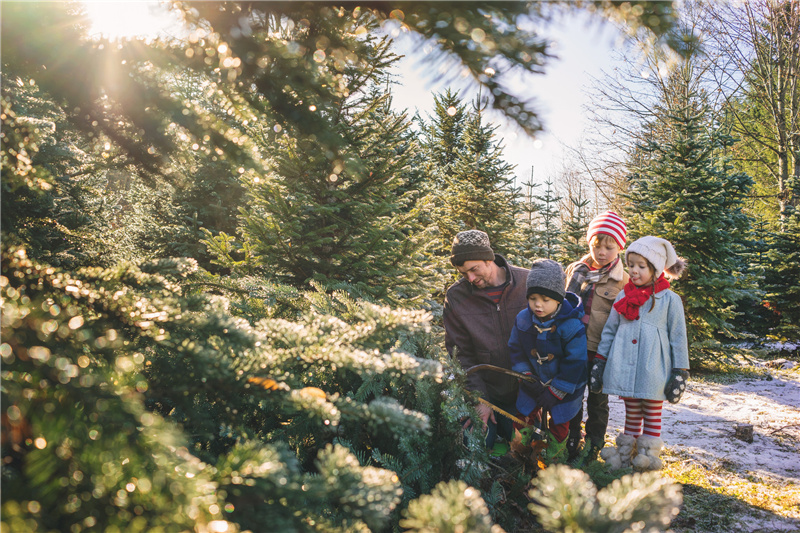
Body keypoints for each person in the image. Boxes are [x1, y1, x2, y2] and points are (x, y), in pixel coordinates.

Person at [590, 236, 690, 471]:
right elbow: (610, 331)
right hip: (625, 365)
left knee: (652, 413)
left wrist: (680, 371)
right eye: (631, 265)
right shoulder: (624, 296)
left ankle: (646, 462)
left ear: (655, 269)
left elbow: (678, 337)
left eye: (641, 266)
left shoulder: (669, 300)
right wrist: (600, 361)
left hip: (654, 368)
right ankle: (626, 459)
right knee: (632, 412)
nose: (633, 271)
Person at [443, 230, 529, 452]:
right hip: (485, 394)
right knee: (474, 443)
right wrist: (480, 400)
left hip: (526, 398)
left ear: (489, 259)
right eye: (463, 273)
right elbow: (460, 355)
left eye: (474, 269)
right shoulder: (456, 297)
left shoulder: (527, 283)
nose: (470, 279)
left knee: (531, 448)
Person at [564, 211, 629, 463]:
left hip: (601, 351)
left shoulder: (623, 280)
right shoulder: (576, 270)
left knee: (598, 401)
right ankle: (570, 442)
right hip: (573, 347)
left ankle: (593, 447)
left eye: (609, 247)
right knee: (572, 396)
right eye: (596, 245)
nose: (601, 252)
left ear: (619, 247)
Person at [508, 259, 588, 464]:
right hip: (533, 379)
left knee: (561, 420)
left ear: (558, 299)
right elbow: (516, 349)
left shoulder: (571, 326)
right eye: (533, 298)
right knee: (523, 412)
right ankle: (520, 447)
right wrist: (525, 376)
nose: (538, 304)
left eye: (545, 299)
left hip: (564, 385)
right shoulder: (524, 319)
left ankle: (553, 455)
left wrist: (557, 390)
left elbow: (576, 361)